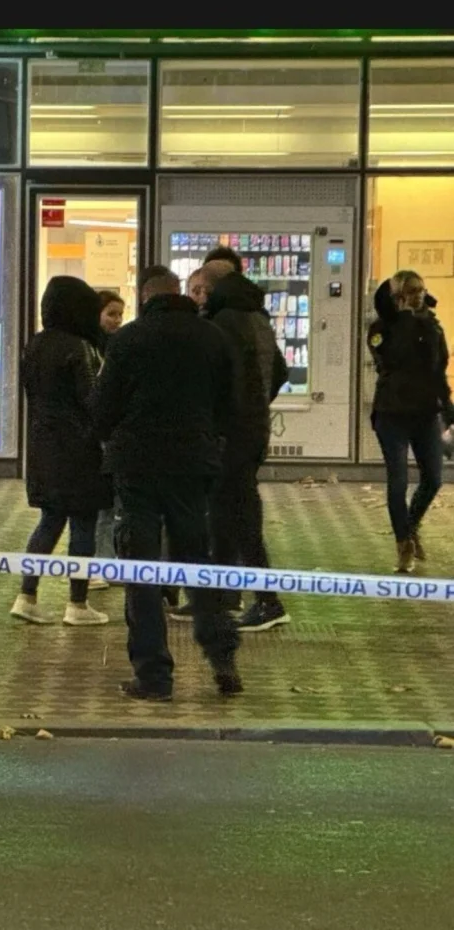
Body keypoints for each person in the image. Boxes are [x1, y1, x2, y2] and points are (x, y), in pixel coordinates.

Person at [91, 265, 241, 700]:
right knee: (197, 562)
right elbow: (232, 405)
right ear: (181, 294)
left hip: (137, 468)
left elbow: (102, 409)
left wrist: (115, 438)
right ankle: (223, 658)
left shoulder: (128, 340)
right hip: (193, 468)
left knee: (142, 571)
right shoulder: (213, 338)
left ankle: (153, 675)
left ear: (144, 297)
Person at [10, 276, 112, 627]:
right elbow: (93, 400)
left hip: (42, 446)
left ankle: (27, 595)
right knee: (83, 521)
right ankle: (77, 603)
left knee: (49, 521)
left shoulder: (35, 345)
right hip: (79, 449)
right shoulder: (79, 347)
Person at [200, 259, 291, 631]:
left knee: (240, 517)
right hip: (252, 431)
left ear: (213, 288)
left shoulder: (224, 323)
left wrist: (219, 420)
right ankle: (224, 596)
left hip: (231, 435)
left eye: (202, 289)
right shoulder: (258, 318)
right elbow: (280, 371)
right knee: (227, 514)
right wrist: (257, 405)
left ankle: (267, 601)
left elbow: (221, 383)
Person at [368, 271, 454, 573]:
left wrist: (448, 408)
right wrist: (405, 318)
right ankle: (403, 543)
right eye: (411, 291)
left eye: (421, 290)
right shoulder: (382, 329)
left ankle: (411, 523)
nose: (418, 295)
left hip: (426, 412)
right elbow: (392, 360)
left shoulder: (431, 326)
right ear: (398, 296)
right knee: (399, 480)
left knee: (433, 478)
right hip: (392, 413)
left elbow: (438, 369)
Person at [93, 291, 125, 565]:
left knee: (114, 503)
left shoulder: (120, 346)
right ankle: (101, 559)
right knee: (102, 504)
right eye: (111, 314)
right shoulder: (90, 347)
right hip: (99, 437)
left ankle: (109, 556)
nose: (117, 320)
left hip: (113, 434)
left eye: (120, 315)